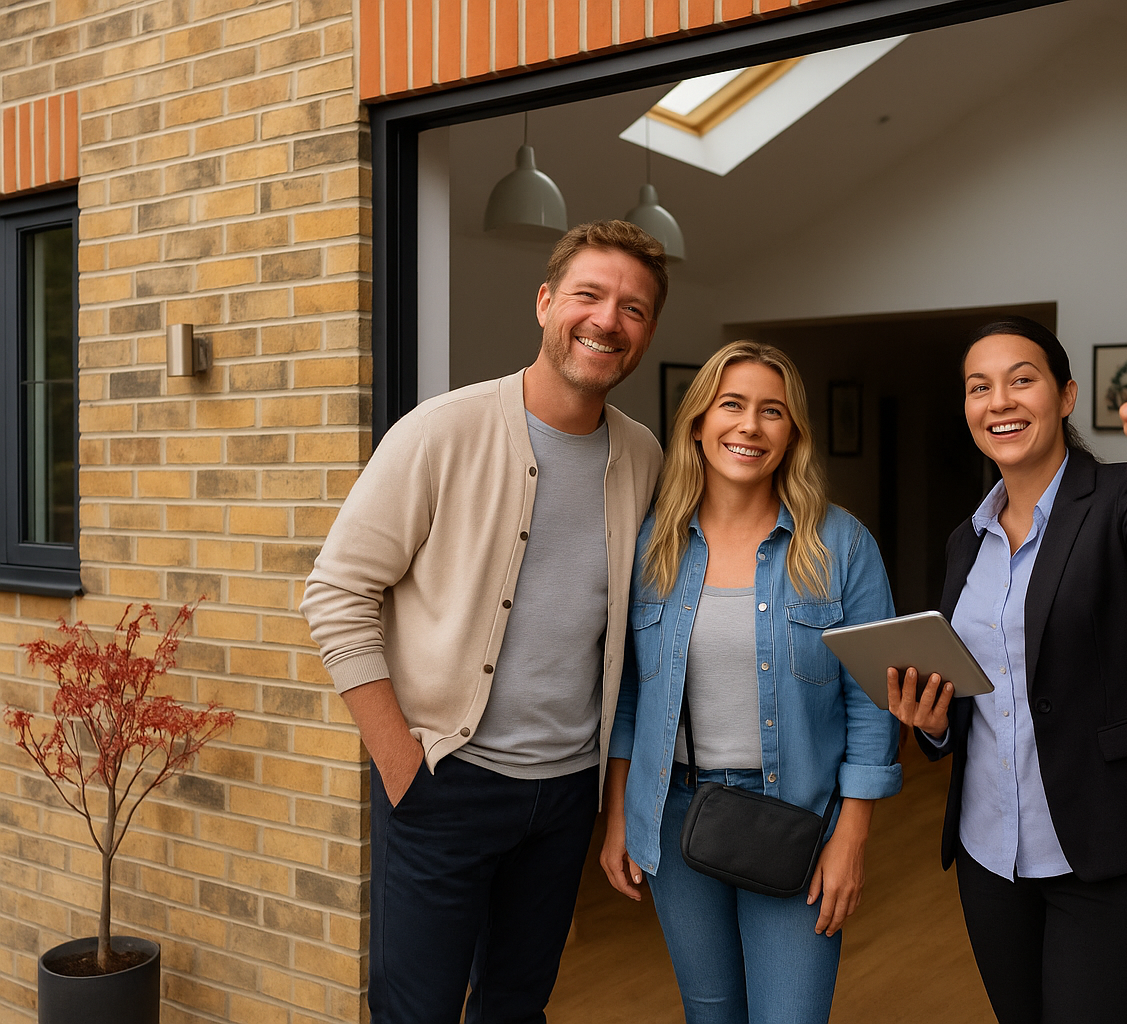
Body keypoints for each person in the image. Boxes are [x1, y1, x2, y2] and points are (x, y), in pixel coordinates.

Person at [301, 221, 668, 1024]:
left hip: (564, 795)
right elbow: (335, 592)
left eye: (633, 308)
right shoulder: (441, 431)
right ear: (545, 303)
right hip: (444, 782)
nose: (607, 320)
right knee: (416, 1012)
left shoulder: (644, 457)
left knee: (517, 1008)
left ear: (647, 332)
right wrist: (401, 764)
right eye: (588, 295)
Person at [886, 317, 1127, 1024]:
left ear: (1066, 395)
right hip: (992, 858)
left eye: (1022, 379)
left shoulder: (1123, 497)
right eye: (979, 387)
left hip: (1114, 849)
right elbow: (982, 691)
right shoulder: (966, 541)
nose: (999, 401)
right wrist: (933, 725)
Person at [600, 341, 901, 1024]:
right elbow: (629, 697)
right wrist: (619, 814)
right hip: (675, 813)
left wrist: (851, 837)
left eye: (773, 411)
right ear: (698, 423)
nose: (750, 426)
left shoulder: (841, 545)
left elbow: (873, 702)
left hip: (798, 818)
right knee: (710, 1014)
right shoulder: (651, 546)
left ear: (792, 433)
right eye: (731, 405)